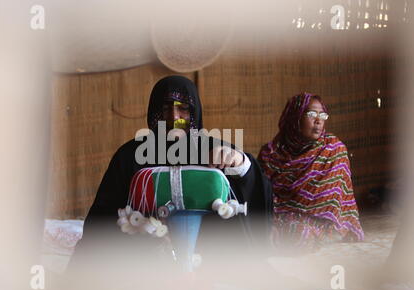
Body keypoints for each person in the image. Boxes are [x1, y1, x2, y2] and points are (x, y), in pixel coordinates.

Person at [70, 76, 273, 277]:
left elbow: (255, 198)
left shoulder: (216, 150)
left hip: (211, 263)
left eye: (183, 108)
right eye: (165, 108)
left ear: (194, 112)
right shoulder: (130, 155)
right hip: (145, 265)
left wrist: (242, 164)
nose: (174, 117)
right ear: (153, 112)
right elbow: (103, 216)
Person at [258, 93, 364, 252]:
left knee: (299, 234)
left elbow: (335, 204)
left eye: (322, 115)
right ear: (295, 118)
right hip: (281, 217)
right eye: (311, 114)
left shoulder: (333, 148)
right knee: (261, 231)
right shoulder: (271, 153)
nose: (318, 120)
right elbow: (261, 197)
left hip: (324, 223)